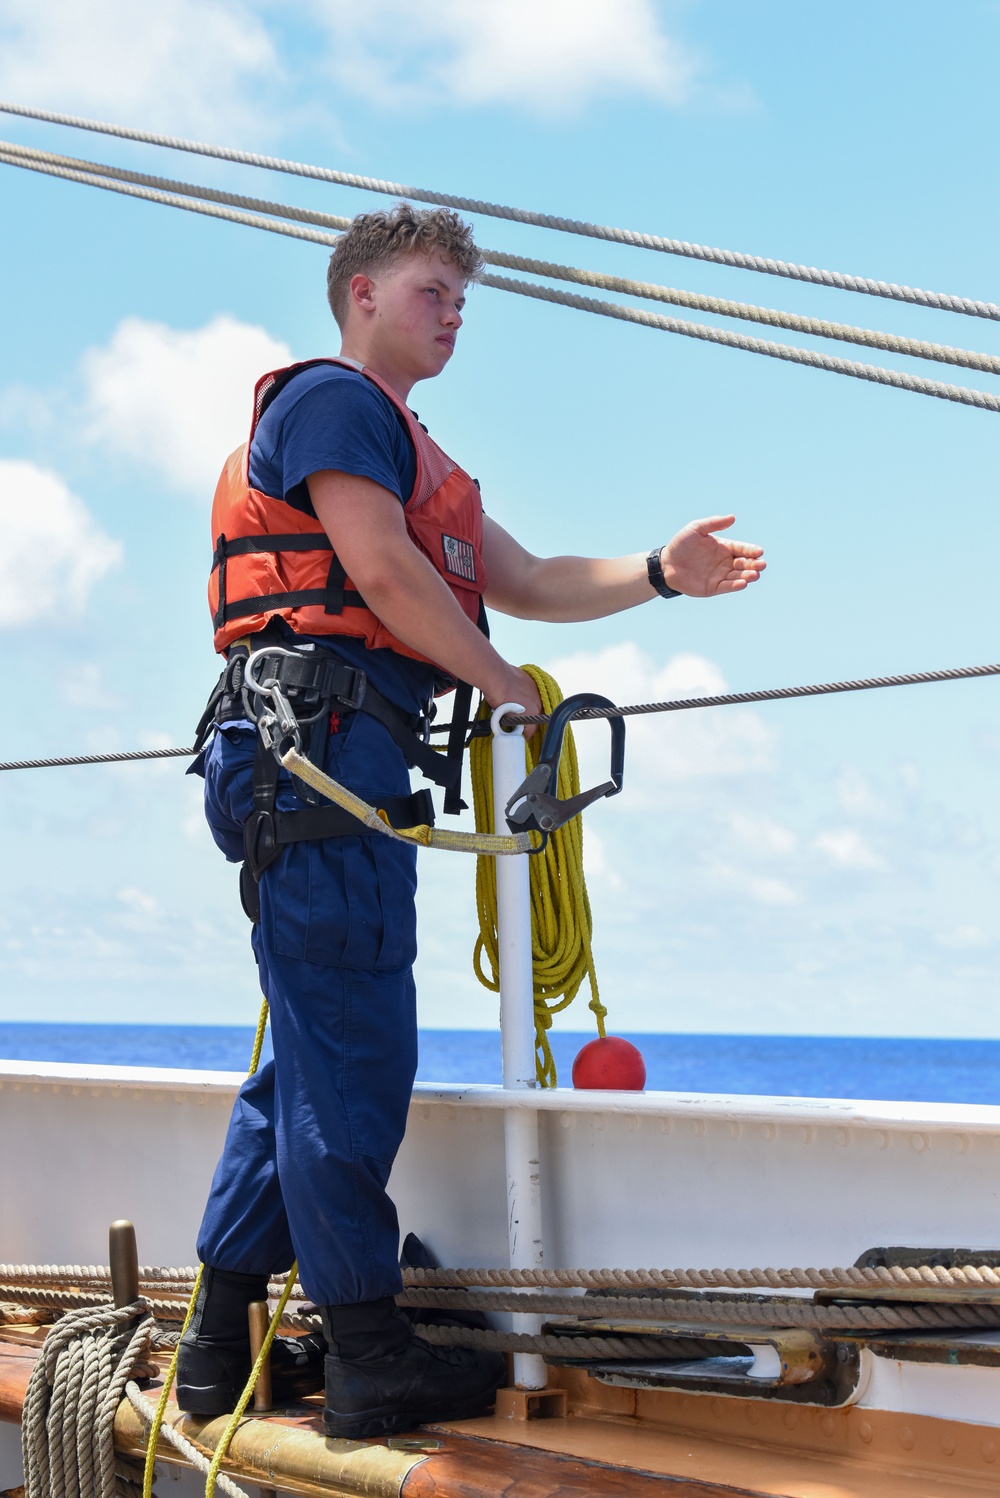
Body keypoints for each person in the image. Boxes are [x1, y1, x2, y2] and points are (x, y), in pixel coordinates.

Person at [179, 202, 766, 1439]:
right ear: (360, 298)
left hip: (333, 765)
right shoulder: (334, 404)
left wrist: (661, 573)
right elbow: (383, 574)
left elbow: (531, 581)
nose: (454, 315)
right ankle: (368, 1356)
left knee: (305, 1056)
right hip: (323, 759)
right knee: (353, 1063)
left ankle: (213, 1342)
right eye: (433, 290)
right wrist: (508, 696)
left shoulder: (406, 442)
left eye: (463, 298)